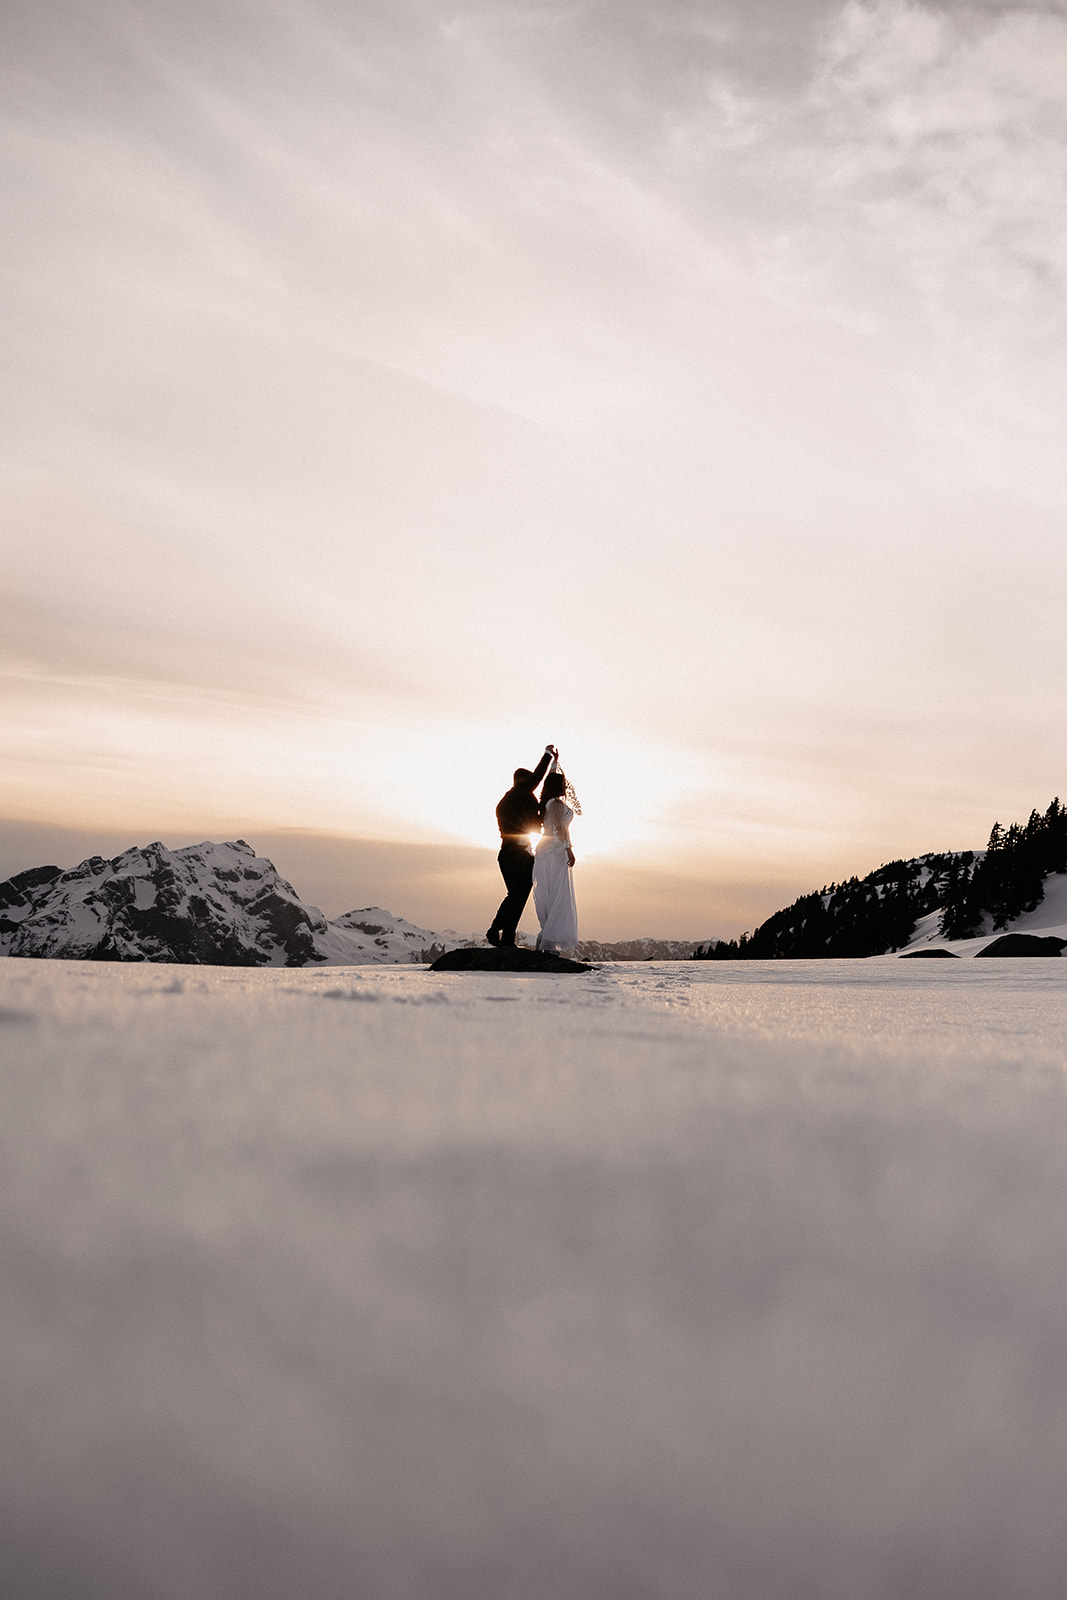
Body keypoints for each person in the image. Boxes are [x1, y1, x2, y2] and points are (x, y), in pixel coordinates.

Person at [487, 745, 557, 947]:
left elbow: (532, 824)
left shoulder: (511, 801)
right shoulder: (518, 793)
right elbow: (537, 777)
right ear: (520, 781)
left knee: (516, 895)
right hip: (515, 853)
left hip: (512, 853)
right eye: (528, 781)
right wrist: (547, 756)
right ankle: (497, 930)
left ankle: (505, 936)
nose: (532, 785)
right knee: (518, 894)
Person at [532, 766, 579, 953]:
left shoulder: (546, 802)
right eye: (562, 784)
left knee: (548, 894)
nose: (565, 787)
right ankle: (548, 941)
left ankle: (546, 937)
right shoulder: (557, 805)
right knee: (558, 895)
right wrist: (569, 850)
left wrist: (554, 760)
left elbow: (551, 777)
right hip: (555, 851)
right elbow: (561, 827)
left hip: (544, 851)